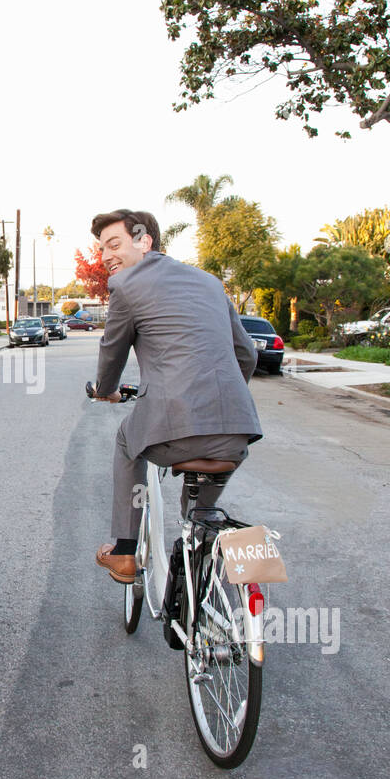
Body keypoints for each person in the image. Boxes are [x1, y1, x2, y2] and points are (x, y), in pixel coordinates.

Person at [91, 208, 262, 586]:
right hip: (235, 431)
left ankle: (123, 550)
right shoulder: (209, 283)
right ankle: (198, 557)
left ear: (144, 241)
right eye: (102, 248)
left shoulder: (127, 286)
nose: (106, 256)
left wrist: (105, 391)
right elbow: (246, 354)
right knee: (200, 513)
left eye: (114, 244)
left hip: (173, 429)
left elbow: (112, 352)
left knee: (126, 441)